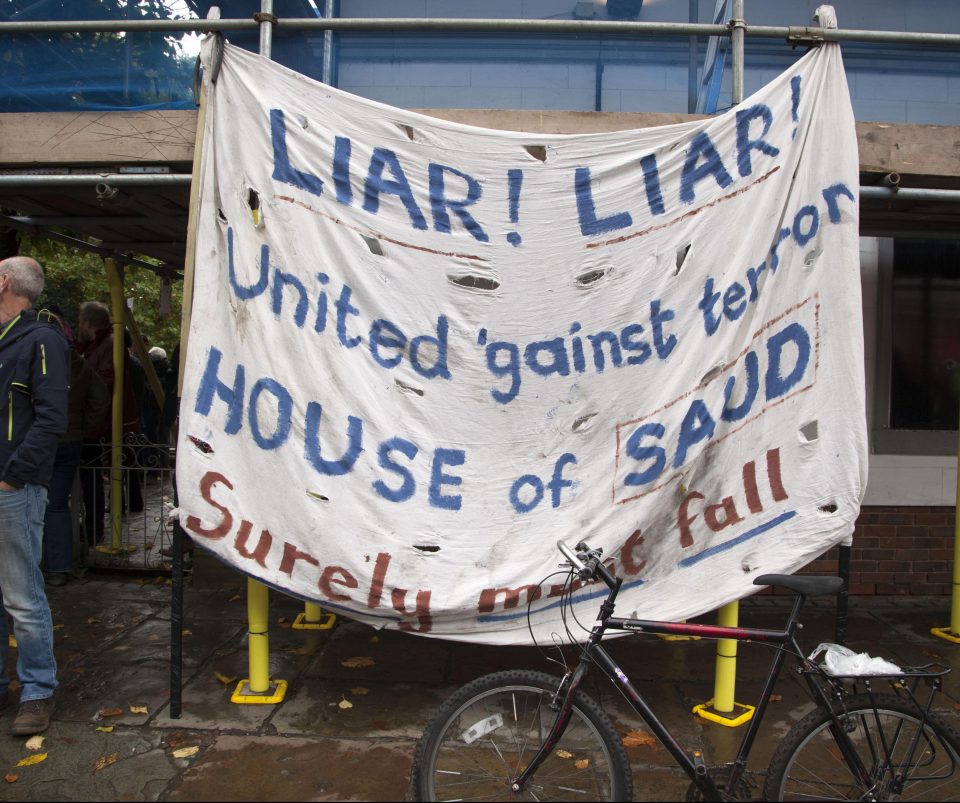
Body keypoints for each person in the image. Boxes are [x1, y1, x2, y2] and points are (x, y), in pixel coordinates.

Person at [0, 256, 70, 737]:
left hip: (14, 492)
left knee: (22, 595)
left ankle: (38, 690)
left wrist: (12, 477)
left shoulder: (41, 340)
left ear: (4, 282)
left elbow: (51, 420)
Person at [41, 314, 110, 587]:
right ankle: (59, 566)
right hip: (70, 439)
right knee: (57, 505)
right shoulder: (78, 363)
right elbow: (100, 398)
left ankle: (38, 564)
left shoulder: (38, 357)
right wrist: (82, 427)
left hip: (40, 441)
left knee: (30, 504)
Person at [75, 302, 142, 544]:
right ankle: (93, 526)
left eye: (81, 321)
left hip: (102, 423)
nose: (78, 326)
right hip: (97, 422)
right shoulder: (96, 346)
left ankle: (96, 529)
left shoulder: (111, 346)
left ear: (89, 324)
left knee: (95, 479)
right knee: (92, 479)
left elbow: (104, 382)